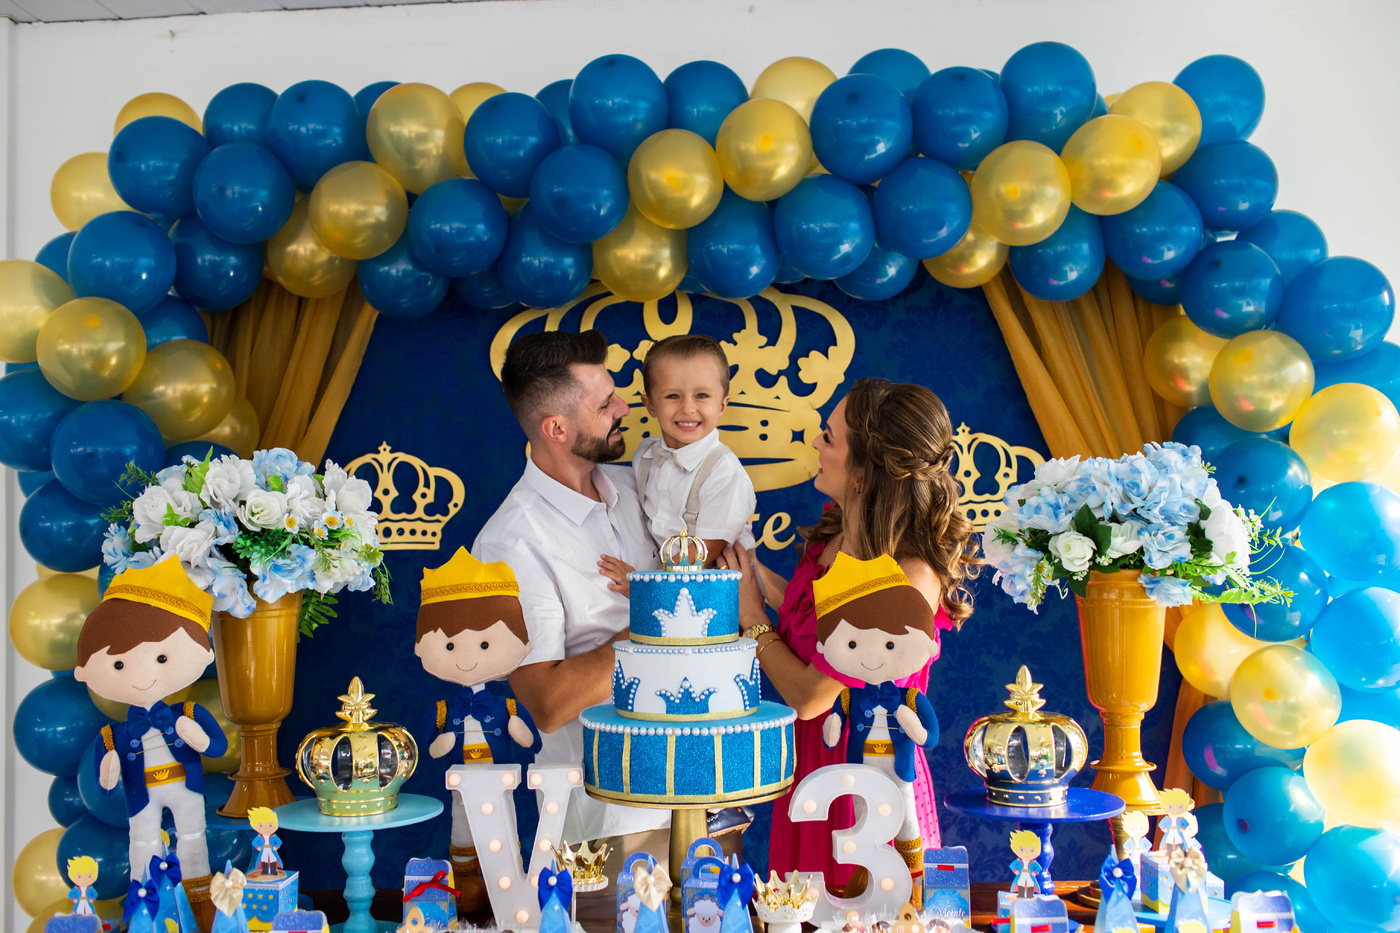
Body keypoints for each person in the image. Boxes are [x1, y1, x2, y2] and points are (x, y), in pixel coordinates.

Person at [722, 378, 979, 891]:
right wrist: (744, 570)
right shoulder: (836, 533)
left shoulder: (908, 575)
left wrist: (751, 621)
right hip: (808, 768)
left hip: (866, 778)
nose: (816, 444)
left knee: (861, 912)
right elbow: (805, 617)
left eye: (829, 437)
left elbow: (811, 697)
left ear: (864, 470)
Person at [473, 330, 667, 854]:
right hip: (615, 812)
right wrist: (661, 617)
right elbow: (548, 702)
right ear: (556, 428)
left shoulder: (637, 486)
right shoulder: (510, 543)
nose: (624, 408)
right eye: (605, 405)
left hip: (708, 789)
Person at [73, 557, 229, 931]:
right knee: (142, 846)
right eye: (119, 664)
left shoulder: (187, 712)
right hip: (140, 796)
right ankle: (147, 914)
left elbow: (218, 747)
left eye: (160, 657)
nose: (142, 674)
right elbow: (104, 786)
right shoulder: (112, 735)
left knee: (193, 841)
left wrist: (197, 736)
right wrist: (109, 769)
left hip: (186, 789)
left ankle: (199, 913)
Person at [415, 547, 542, 914]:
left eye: (485, 644)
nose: (468, 657)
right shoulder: (443, 711)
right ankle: (467, 880)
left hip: (500, 787)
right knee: (462, 829)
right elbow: (422, 748)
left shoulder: (507, 708)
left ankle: (504, 880)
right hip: (462, 791)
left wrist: (519, 729)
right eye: (449, 644)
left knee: (504, 829)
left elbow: (533, 742)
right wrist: (439, 745)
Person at [599, 334, 755, 593]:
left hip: (719, 592)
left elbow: (703, 553)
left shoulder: (725, 473)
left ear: (722, 405)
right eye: (673, 396)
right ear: (650, 404)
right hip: (670, 585)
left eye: (702, 395)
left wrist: (642, 584)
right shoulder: (644, 457)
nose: (688, 408)